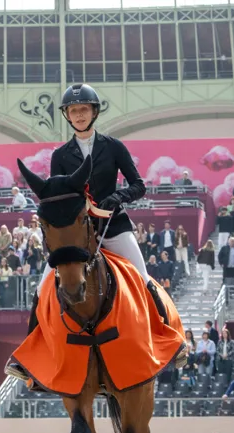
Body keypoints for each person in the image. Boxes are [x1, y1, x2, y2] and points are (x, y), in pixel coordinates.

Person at [38, 83, 170, 326]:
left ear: (94, 112)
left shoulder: (113, 146)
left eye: (84, 109)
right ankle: (32, 346)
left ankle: (164, 332)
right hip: (76, 232)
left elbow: (138, 185)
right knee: (41, 289)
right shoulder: (60, 155)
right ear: (67, 115)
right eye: (73, 110)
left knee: (142, 277)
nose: (79, 115)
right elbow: (58, 199)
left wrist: (118, 197)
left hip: (113, 225)